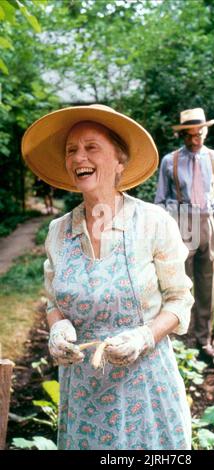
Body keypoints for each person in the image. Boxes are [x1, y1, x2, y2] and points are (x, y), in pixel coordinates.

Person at [21, 104, 194, 450]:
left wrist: (144, 337)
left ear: (119, 161)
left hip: (145, 388)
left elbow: (179, 299)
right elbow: (54, 302)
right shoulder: (58, 232)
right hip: (83, 392)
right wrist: (57, 325)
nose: (78, 156)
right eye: (72, 150)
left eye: (91, 147)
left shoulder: (152, 223)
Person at [155, 108, 214, 363]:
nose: (194, 140)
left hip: (206, 222)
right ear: (182, 136)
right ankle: (178, 340)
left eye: (198, 134)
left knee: (205, 283)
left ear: (205, 131)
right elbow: (160, 201)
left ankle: (203, 339)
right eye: (188, 135)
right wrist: (166, 229)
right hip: (181, 223)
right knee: (178, 283)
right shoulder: (170, 161)